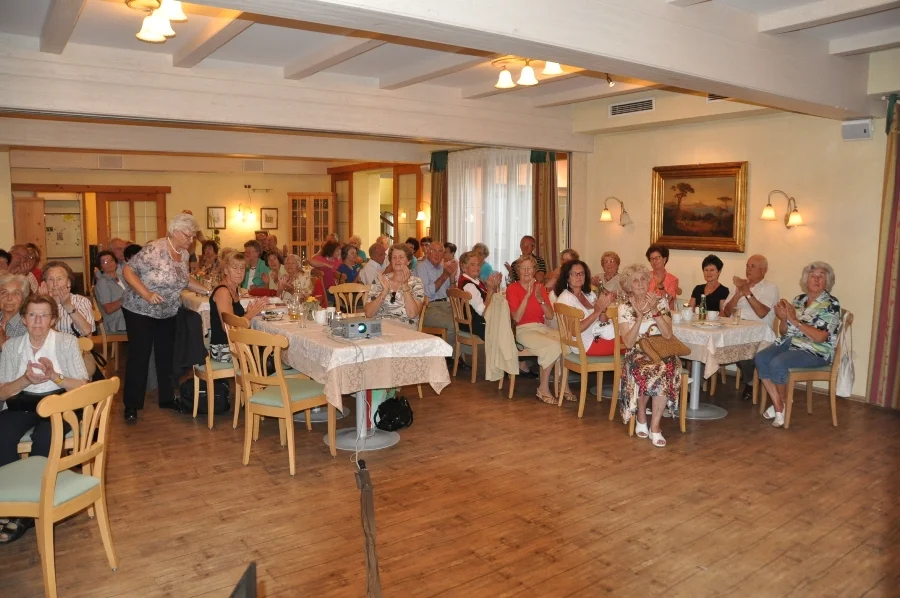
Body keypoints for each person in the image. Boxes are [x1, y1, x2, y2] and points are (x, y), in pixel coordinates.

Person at [0, 294, 89, 543]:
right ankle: (13, 500)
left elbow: (83, 385)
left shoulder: (67, 342)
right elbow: (3, 392)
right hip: (22, 403)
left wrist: (54, 376)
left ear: (53, 320)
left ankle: (30, 509)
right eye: (32, 315)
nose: (38, 321)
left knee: (46, 439)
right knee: (2, 435)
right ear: (23, 319)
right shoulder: (11, 347)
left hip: (60, 402)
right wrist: (25, 379)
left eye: (43, 315)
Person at [121, 213, 211, 424]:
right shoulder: (155, 249)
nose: (192, 240)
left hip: (167, 311)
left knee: (167, 355)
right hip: (140, 310)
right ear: (175, 231)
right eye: (188, 236)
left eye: (193, 237)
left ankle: (167, 398)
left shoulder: (184, 254)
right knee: (140, 356)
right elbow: (128, 271)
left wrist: (207, 290)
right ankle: (131, 405)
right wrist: (146, 294)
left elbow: (184, 279)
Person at [757, 262, 842, 428]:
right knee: (761, 357)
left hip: (816, 351)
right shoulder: (798, 300)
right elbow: (784, 332)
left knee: (778, 363)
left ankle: (781, 407)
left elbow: (820, 337)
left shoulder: (831, 304)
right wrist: (783, 319)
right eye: (813, 276)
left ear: (827, 281)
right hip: (791, 343)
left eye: (821, 276)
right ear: (806, 280)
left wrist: (795, 321)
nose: (816, 279)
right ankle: (779, 404)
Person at [617, 263, 681, 448]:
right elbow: (628, 343)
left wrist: (654, 311)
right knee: (653, 368)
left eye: (643, 279)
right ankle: (642, 414)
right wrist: (638, 317)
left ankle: (655, 426)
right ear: (628, 285)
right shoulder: (624, 307)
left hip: (660, 350)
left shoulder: (660, 302)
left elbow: (668, 335)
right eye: (635, 280)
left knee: (666, 366)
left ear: (649, 281)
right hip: (637, 352)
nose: (640, 284)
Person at [722, 254, 780, 400]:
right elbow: (726, 312)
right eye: (747, 266)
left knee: (743, 350)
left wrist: (747, 293)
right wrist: (737, 295)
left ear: (763, 270)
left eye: (752, 266)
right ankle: (695, 383)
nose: (748, 269)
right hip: (735, 328)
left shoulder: (770, 288)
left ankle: (750, 382)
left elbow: (761, 312)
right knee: (713, 344)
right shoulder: (738, 286)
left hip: (759, 333)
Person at [506, 255, 560, 404]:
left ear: (535, 270)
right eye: (523, 268)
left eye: (530, 268)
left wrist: (541, 299)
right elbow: (517, 318)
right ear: (518, 270)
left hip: (541, 327)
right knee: (554, 345)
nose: (526, 271)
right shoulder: (512, 288)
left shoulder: (540, 287)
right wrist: (527, 296)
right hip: (522, 330)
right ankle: (543, 388)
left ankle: (564, 386)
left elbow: (550, 315)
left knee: (566, 341)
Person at [209, 252, 266, 362]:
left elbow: (234, 318)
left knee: (268, 349)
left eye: (242, 268)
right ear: (226, 270)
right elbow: (229, 328)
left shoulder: (233, 288)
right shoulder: (223, 291)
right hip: (224, 349)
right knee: (269, 355)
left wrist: (247, 313)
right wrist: (249, 315)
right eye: (234, 268)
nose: (239, 272)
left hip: (234, 344)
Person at [554, 260, 616, 359]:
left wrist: (602, 310)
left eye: (581, 273)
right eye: (575, 274)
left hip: (600, 336)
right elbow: (574, 331)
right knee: (629, 341)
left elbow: (603, 322)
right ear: (567, 277)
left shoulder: (588, 294)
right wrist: (596, 312)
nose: (579, 276)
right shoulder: (565, 298)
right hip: (586, 345)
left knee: (630, 337)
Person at [364, 244, 424, 326]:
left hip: (405, 329)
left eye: (401, 257)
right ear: (390, 261)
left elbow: (412, 314)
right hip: (381, 327)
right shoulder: (380, 280)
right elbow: (368, 313)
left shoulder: (416, 282)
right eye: (394, 257)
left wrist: (405, 286)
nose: (397, 260)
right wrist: (384, 292)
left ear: (408, 261)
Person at [416, 242, 456, 358]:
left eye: (440, 251)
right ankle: (448, 358)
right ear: (428, 252)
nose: (437, 254)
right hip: (429, 308)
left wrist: (452, 278)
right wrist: (444, 276)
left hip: (446, 305)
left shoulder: (442, 268)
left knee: (464, 321)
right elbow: (426, 292)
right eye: (434, 251)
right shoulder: (421, 267)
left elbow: (451, 293)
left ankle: (457, 356)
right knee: (453, 324)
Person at [40, 261, 94, 337]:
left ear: (68, 282)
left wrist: (67, 305)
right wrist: (44, 304)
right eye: (50, 279)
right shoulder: (38, 304)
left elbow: (87, 332)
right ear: (44, 283)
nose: (55, 283)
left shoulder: (81, 301)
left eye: (59, 279)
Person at [457, 251, 502, 340]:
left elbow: (491, 300)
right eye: (473, 265)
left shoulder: (476, 280)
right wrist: (490, 291)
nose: (477, 267)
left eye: (478, 265)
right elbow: (483, 313)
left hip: (477, 322)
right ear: (464, 268)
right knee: (506, 320)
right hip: (476, 324)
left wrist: (494, 286)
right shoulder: (469, 286)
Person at [93, 251, 128, 334]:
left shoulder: (122, 278)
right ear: (101, 267)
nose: (109, 263)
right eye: (105, 262)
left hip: (128, 317)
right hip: (116, 324)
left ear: (116, 263)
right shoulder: (103, 282)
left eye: (111, 260)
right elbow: (108, 309)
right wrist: (128, 297)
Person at [646, 244, 680, 310]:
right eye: (651, 259)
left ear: (664, 259)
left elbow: (668, 300)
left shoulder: (673, 279)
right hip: (647, 312)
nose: (654, 261)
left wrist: (661, 287)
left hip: (665, 313)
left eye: (657, 258)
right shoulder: (645, 276)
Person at [0, 274, 28, 350]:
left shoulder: (28, 326)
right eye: (4, 293)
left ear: (23, 299)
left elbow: (26, 356)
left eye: (16, 293)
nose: (9, 298)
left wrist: (3, 345)